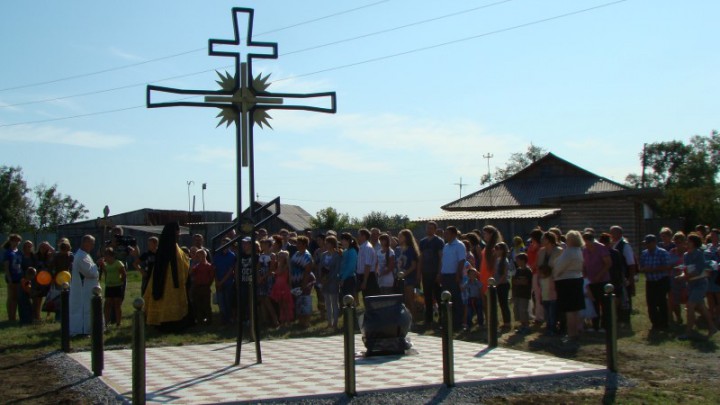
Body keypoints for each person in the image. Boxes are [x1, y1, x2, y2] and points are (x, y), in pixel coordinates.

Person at [143, 223, 191, 330]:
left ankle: (172, 322)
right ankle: (165, 322)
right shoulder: (168, 247)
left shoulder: (172, 247)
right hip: (166, 281)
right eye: (177, 232)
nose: (179, 234)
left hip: (173, 281)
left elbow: (183, 261)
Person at [679, 233, 718, 340]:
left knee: (690, 306)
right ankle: (712, 327)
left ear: (693, 243)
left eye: (688, 241)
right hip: (691, 284)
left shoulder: (699, 254)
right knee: (702, 307)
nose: (686, 242)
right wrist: (682, 275)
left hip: (700, 284)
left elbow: (699, 270)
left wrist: (686, 276)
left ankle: (688, 332)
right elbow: (686, 269)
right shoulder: (686, 255)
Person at [553, 230, 586, 347]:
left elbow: (559, 266)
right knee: (575, 309)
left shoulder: (569, 252)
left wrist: (555, 274)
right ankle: (576, 331)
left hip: (566, 280)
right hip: (577, 279)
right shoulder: (579, 251)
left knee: (570, 310)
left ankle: (571, 333)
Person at [638, 234, 672, 331]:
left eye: (648, 243)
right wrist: (643, 269)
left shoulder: (662, 252)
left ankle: (664, 323)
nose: (647, 245)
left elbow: (667, 266)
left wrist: (652, 269)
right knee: (651, 303)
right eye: (646, 244)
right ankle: (655, 323)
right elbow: (641, 266)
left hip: (661, 280)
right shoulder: (644, 253)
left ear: (654, 243)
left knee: (661, 302)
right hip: (650, 282)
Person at [70, 235, 100, 336]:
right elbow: (89, 273)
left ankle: (90, 328)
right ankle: (83, 329)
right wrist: (97, 265)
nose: (93, 246)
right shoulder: (81, 256)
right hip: (83, 288)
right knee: (84, 309)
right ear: (85, 243)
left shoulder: (85, 255)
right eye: (91, 243)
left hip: (89, 287)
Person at [581, 232, 611, 332]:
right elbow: (584, 265)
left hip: (603, 281)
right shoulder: (585, 250)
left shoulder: (601, 248)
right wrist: (585, 276)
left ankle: (605, 325)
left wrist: (599, 275)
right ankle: (595, 325)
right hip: (591, 281)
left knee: (604, 303)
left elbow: (608, 263)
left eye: (587, 242)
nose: (586, 245)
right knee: (593, 303)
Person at [610, 225, 638, 324]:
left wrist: (630, 279)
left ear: (619, 234)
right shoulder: (614, 245)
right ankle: (619, 318)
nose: (611, 235)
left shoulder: (625, 245)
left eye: (613, 233)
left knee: (625, 299)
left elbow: (631, 263)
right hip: (616, 277)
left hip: (624, 277)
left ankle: (625, 320)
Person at [440, 226, 466, 328]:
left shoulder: (459, 245)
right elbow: (443, 261)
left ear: (454, 234)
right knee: (445, 299)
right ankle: (447, 321)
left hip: (454, 275)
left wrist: (458, 274)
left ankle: (457, 322)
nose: (445, 235)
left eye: (447, 233)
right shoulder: (446, 246)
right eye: (445, 233)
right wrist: (440, 273)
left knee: (455, 299)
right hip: (445, 275)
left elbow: (461, 261)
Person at [419, 221, 444, 325]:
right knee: (427, 296)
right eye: (427, 228)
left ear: (435, 230)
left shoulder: (439, 241)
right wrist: (419, 272)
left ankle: (442, 318)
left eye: (431, 228)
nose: (429, 230)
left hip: (435, 272)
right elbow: (421, 257)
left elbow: (441, 258)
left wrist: (439, 273)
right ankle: (428, 319)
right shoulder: (422, 242)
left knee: (438, 295)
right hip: (426, 272)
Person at [290, 236, 315, 328]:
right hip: (296, 281)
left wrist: (303, 284)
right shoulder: (296, 253)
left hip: (305, 281)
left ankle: (306, 322)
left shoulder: (307, 256)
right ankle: (300, 321)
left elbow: (307, 271)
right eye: (297, 243)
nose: (297, 245)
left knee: (305, 300)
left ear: (304, 244)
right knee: (298, 301)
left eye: (299, 243)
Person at [270, 235, 294, 325]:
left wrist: (274, 272)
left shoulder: (285, 266)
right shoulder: (278, 265)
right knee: (280, 304)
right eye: (279, 256)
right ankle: (283, 319)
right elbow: (274, 272)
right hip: (278, 285)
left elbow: (279, 273)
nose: (279, 258)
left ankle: (288, 319)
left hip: (284, 286)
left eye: (281, 257)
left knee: (285, 304)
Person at [101, 247, 126, 328]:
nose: (106, 257)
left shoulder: (118, 263)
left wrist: (120, 282)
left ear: (112, 256)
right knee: (107, 304)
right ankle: (106, 323)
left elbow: (124, 274)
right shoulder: (105, 264)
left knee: (117, 304)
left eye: (107, 255)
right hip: (109, 286)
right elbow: (105, 273)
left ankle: (118, 323)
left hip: (117, 286)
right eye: (105, 255)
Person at [214, 237, 237, 325]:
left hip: (228, 282)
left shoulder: (232, 256)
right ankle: (223, 319)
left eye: (226, 244)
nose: (224, 245)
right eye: (222, 243)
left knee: (228, 301)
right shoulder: (217, 255)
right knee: (221, 301)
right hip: (218, 282)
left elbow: (230, 271)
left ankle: (229, 318)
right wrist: (217, 281)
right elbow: (214, 269)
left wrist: (221, 282)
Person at [397, 229, 420, 316]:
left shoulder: (411, 250)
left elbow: (413, 266)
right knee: (405, 301)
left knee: (410, 300)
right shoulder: (398, 249)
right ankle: (407, 319)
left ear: (406, 238)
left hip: (409, 278)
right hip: (400, 278)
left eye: (401, 236)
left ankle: (413, 319)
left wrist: (404, 274)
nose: (399, 238)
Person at [321, 235, 342, 328]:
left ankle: (335, 322)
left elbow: (337, 269)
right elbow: (320, 267)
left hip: (333, 281)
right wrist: (322, 278)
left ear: (333, 244)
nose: (326, 244)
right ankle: (329, 321)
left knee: (334, 302)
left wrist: (329, 278)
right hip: (324, 281)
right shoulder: (323, 255)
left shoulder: (337, 255)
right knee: (327, 302)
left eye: (328, 243)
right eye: (326, 243)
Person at [668, 232, 688, 325]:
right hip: (674, 278)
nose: (678, 244)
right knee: (674, 301)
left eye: (680, 242)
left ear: (684, 242)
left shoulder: (688, 252)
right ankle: (678, 318)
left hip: (686, 279)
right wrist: (672, 266)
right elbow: (668, 265)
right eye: (676, 242)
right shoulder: (672, 252)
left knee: (687, 299)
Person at [257, 238, 278, 328]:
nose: (262, 245)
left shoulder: (272, 255)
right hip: (261, 278)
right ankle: (265, 319)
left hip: (268, 278)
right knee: (262, 299)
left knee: (267, 299)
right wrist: (259, 277)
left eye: (264, 244)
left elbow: (272, 269)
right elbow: (258, 267)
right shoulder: (261, 255)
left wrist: (263, 277)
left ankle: (275, 319)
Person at [190, 249, 214, 325]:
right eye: (197, 256)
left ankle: (208, 319)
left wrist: (208, 284)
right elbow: (191, 273)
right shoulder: (196, 266)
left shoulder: (209, 266)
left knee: (206, 304)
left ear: (204, 256)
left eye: (199, 256)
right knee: (198, 304)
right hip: (197, 287)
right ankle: (200, 319)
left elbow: (211, 277)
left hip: (205, 287)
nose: (198, 258)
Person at [3, 234, 23, 321]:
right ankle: (10, 316)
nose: (16, 242)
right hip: (12, 277)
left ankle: (14, 315)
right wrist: (9, 278)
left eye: (18, 241)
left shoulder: (19, 252)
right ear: (10, 241)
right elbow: (6, 267)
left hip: (19, 277)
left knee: (16, 297)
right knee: (11, 297)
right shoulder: (8, 252)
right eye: (15, 240)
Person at [493, 242, 512, 331]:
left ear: (502, 250)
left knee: (504, 304)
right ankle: (505, 322)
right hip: (498, 284)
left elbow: (504, 274)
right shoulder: (497, 260)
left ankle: (507, 323)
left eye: (498, 249)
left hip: (503, 284)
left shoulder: (505, 260)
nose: (496, 251)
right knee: (501, 304)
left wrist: (498, 283)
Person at [512, 253, 532, 334]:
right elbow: (514, 281)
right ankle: (522, 325)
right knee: (516, 309)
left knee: (523, 310)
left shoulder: (528, 271)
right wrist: (519, 281)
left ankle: (527, 326)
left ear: (523, 261)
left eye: (518, 260)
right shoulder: (518, 270)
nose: (516, 262)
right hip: (517, 293)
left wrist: (519, 281)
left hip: (524, 294)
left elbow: (526, 282)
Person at [356, 229, 379, 300]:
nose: (357, 237)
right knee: (366, 299)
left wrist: (365, 281)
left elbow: (368, 265)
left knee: (370, 300)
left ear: (363, 236)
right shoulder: (362, 247)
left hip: (368, 276)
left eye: (359, 235)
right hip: (364, 276)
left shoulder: (367, 248)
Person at [538, 260, 557, 335]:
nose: (539, 274)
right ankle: (548, 327)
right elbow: (541, 290)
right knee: (547, 315)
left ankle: (553, 329)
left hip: (552, 300)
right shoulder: (541, 280)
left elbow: (554, 289)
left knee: (552, 315)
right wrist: (540, 298)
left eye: (540, 272)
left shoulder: (551, 279)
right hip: (545, 299)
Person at [339, 233, 359, 302]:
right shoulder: (345, 251)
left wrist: (343, 278)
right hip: (343, 278)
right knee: (344, 300)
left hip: (349, 279)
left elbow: (351, 267)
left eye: (343, 240)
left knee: (349, 301)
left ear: (348, 241)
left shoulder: (352, 251)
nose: (341, 241)